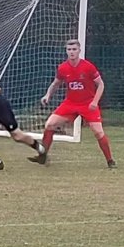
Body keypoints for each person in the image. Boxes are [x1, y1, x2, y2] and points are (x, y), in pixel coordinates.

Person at [30, 39, 116, 168]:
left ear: (79, 51)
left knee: (98, 132)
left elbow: (100, 84)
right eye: (69, 49)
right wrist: (48, 95)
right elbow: (55, 84)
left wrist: (95, 101)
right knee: (50, 124)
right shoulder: (63, 67)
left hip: (88, 104)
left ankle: (110, 161)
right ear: (66, 51)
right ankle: (43, 156)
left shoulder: (88, 66)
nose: (71, 52)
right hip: (70, 103)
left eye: (74, 49)